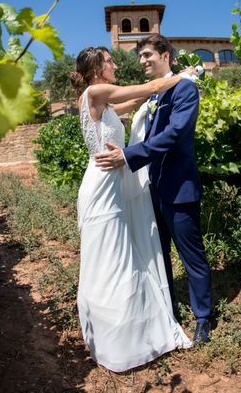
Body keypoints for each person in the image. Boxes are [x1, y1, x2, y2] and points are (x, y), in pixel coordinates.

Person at [71, 46, 195, 373]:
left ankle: (115, 330)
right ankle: (121, 337)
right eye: (109, 61)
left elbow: (131, 103)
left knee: (110, 255)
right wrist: (185, 77)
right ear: (97, 68)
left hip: (108, 183)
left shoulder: (101, 100)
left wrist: (147, 101)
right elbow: (152, 87)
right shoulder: (97, 90)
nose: (115, 64)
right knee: (112, 257)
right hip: (102, 187)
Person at [95, 34, 213, 346]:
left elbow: (174, 134)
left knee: (192, 256)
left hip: (179, 188)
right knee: (158, 256)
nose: (143, 61)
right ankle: (168, 313)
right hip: (152, 190)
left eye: (148, 55)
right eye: (141, 56)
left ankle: (203, 318)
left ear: (166, 55)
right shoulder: (155, 94)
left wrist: (127, 156)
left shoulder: (185, 89)